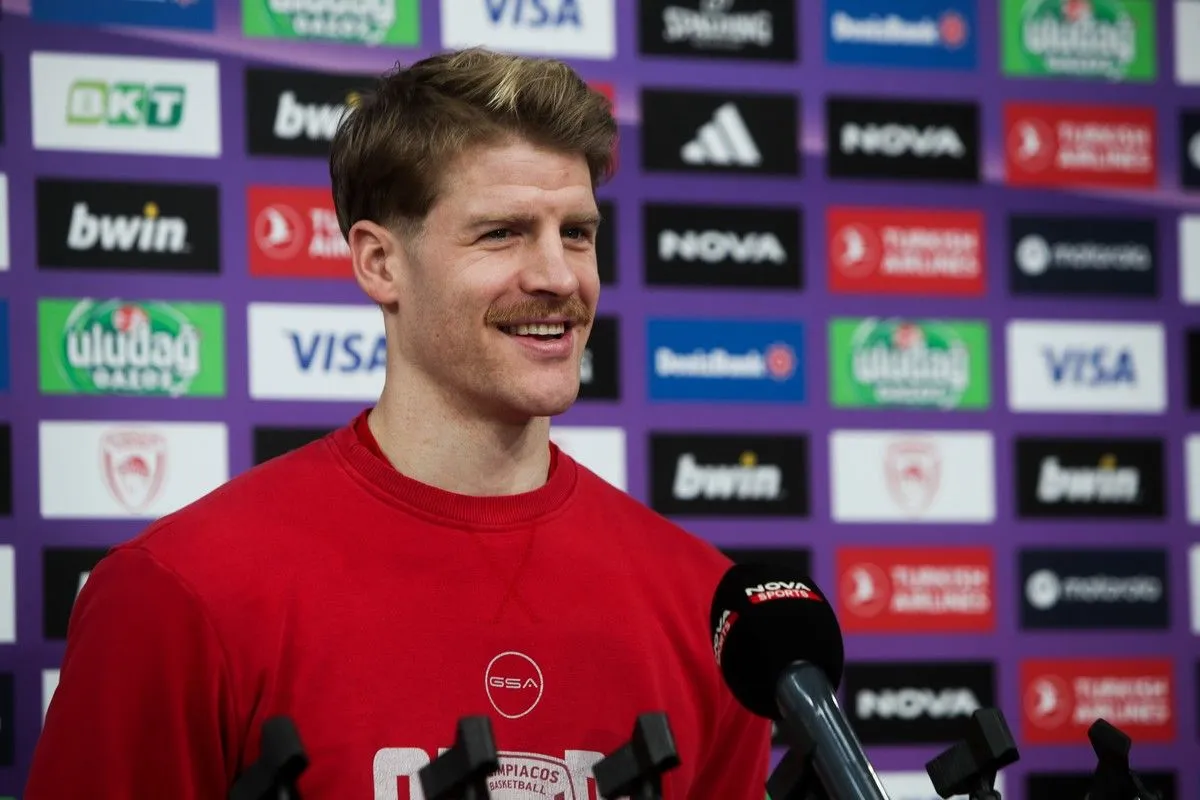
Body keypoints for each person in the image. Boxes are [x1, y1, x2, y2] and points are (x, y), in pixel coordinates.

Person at [25, 48, 772, 799]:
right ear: (380, 263)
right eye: (502, 233)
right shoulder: (177, 594)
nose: (558, 276)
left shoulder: (710, 613)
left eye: (576, 232)